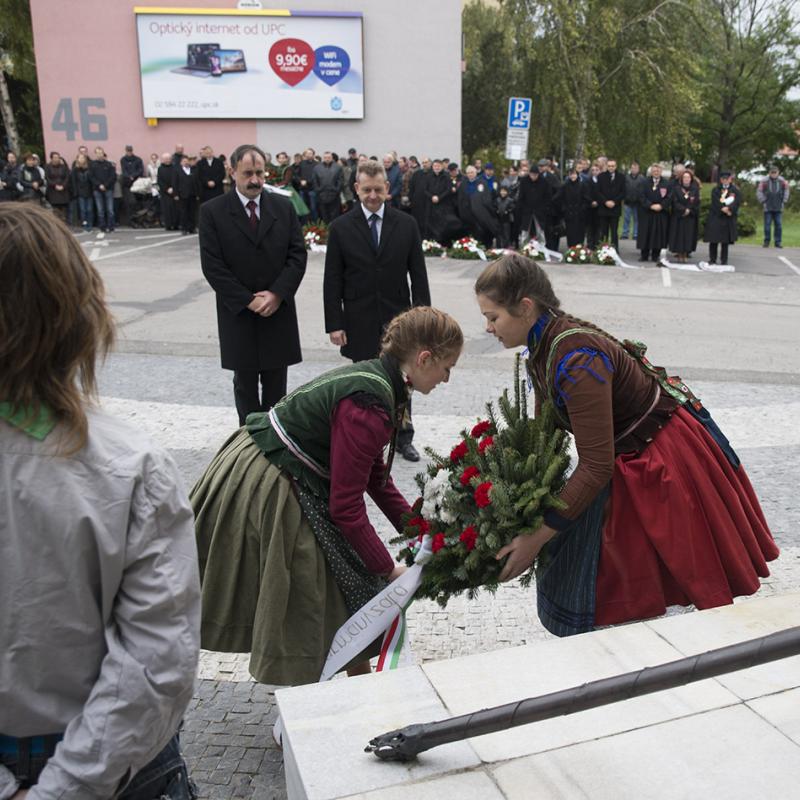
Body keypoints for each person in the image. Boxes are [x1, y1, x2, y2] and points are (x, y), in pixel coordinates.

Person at [0, 202, 200, 798]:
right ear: (78, 313)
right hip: (119, 770)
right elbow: (157, 660)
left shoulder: (127, 468)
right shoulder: (129, 466)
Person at [474, 253, 778, 636]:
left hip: (663, 455)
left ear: (525, 307)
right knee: (615, 582)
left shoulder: (576, 359)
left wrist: (536, 538)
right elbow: (545, 435)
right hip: (628, 452)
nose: (487, 327)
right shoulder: (542, 345)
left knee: (660, 579)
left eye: (493, 317)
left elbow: (596, 465)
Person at [191, 306, 462, 685]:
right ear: (424, 358)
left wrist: (422, 530)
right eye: (447, 367)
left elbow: (376, 479)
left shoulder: (381, 381)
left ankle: (360, 686)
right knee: (307, 584)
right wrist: (386, 570)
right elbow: (346, 507)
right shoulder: (369, 403)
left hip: (288, 467)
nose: (447, 378)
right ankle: (306, 699)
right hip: (272, 475)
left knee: (339, 582)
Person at [323, 159, 431, 462]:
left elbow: (418, 277)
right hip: (358, 319)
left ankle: (403, 437)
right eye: (367, 189)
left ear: (387, 189)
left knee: (402, 380)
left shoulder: (406, 225)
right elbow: (332, 280)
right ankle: (365, 439)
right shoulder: (341, 228)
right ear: (357, 189)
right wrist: (335, 323)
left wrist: (423, 321)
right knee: (364, 382)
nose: (373, 195)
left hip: (400, 321)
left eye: (378, 189)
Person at [199, 144, 307, 426]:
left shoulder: (283, 207)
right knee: (244, 385)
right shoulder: (212, 212)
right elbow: (213, 266)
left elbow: (297, 255)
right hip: (239, 314)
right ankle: (248, 445)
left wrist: (277, 294)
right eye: (248, 173)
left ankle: (275, 442)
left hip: (277, 312)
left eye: (260, 172)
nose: (255, 180)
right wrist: (249, 300)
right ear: (232, 171)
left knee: (277, 387)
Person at [704, 171, 741, 265]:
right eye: (723, 179)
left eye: (727, 179)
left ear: (730, 179)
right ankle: (712, 259)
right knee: (713, 240)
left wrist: (729, 209)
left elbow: (737, 202)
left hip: (727, 218)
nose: (725, 181)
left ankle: (724, 260)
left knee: (725, 241)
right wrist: (722, 208)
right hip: (716, 217)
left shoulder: (735, 190)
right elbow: (715, 202)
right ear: (721, 180)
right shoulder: (716, 190)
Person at [456, 165, 499, 247]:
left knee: (481, 231)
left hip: (480, 214)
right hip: (467, 214)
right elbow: (460, 199)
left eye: (472, 172)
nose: (470, 174)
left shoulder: (482, 183)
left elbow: (486, 199)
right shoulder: (463, 184)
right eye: (468, 173)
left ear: (476, 173)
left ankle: (483, 246)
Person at [637, 163, 671, 262]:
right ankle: (644, 255)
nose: (656, 172)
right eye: (654, 171)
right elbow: (641, 196)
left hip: (660, 213)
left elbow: (669, 197)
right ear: (651, 172)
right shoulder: (644, 182)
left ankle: (655, 255)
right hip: (647, 212)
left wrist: (661, 206)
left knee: (658, 234)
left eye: (658, 170)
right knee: (645, 233)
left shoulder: (666, 183)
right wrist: (650, 205)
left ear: (661, 171)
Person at [668, 169, 700, 262]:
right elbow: (674, 201)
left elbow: (696, 202)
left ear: (691, 179)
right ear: (681, 179)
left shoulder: (694, 189)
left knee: (688, 236)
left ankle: (686, 253)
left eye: (688, 177)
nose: (686, 179)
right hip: (679, 216)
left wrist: (689, 210)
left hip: (690, 217)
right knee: (678, 236)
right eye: (684, 177)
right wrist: (683, 209)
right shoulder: (676, 188)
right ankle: (679, 254)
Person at [555, 167, 591, 247]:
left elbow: (587, 199)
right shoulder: (565, 185)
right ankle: (571, 249)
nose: (573, 176)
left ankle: (579, 249)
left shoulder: (582, 185)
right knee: (570, 233)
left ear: (577, 175)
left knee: (580, 233)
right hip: (569, 213)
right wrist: (564, 208)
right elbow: (558, 197)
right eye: (571, 174)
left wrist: (583, 209)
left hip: (580, 214)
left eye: (574, 174)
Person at [756, 164, 790, 249]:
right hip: (768, 206)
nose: (774, 174)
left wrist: (784, 200)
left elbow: (786, 190)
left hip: (778, 206)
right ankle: (766, 241)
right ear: (769, 173)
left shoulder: (782, 181)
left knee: (778, 225)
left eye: (775, 172)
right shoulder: (764, 181)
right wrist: (763, 200)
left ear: (778, 173)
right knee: (767, 225)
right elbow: (759, 191)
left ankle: (778, 242)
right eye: (772, 172)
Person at [595, 158, 625, 248]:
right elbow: (597, 192)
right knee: (603, 231)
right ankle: (602, 249)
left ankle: (614, 249)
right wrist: (605, 202)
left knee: (614, 231)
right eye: (609, 166)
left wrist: (614, 202)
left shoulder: (621, 177)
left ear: (615, 166)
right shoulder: (601, 176)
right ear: (606, 166)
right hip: (603, 208)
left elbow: (623, 192)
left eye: (613, 166)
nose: (611, 168)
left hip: (615, 208)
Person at [88, 146, 116, 232]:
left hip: (108, 189)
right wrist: (99, 185)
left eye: (101, 152)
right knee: (100, 210)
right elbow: (91, 177)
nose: (99, 154)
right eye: (98, 153)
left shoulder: (109, 164)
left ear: (103, 153)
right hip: (97, 190)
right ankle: (102, 227)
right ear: (96, 154)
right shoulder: (92, 164)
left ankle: (111, 226)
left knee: (110, 210)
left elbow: (112, 177)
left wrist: (105, 185)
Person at [312, 151, 343, 223]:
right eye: (325, 157)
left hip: (334, 196)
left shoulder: (338, 167)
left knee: (334, 217)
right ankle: (325, 232)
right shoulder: (317, 168)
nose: (327, 159)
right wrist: (318, 190)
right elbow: (314, 181)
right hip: (321, 195)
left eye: (329, 157)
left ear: (332, 158)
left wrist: (336, 190)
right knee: (324, 216)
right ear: (323, 158)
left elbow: (340, 181)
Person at [173, 154, 199, 235]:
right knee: (184, 212)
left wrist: (197, 193)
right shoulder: (177, 171)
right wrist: (176, 194)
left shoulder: (193, 170)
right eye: (184, 161)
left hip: (192, 194)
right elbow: (175, 183)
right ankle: (184, 228)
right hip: (182, 194)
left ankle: (192, 228)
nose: (186, 162)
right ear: (181, 163)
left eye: (187, 161)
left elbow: (196, 182)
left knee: (192, 212)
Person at [119, 145, 144, 224]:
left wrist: (133, 175)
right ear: (126, 151)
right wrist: (129, 176)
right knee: (130, 202)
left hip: (137, 184)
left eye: (130, 151)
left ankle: (138, 219)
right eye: (128, 151)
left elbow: (140, 170)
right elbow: (124, 170)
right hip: (127, 184)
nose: (129, 152)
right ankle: (131, 220)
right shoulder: (123, 159)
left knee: (137, 202)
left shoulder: (138, 159)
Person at [622, 161, 646, 240]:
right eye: (632, 168)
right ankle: (625, 233)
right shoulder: (626, 177)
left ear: (638, 169)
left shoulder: (642, 179)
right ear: (630, 169)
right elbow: (623, 189)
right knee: (626, 219)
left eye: (635, 168)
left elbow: (644, 190)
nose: (634, 169)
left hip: (638, 203)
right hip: (627, 202)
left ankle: (636, 234)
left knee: (637, 220)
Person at [69, 153, 94, 230]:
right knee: (83, 210)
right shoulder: (75, 170)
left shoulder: (89, 168)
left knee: (89, 209)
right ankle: (84, 223)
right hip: (80, 192)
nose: (81, 159)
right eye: (80, 158)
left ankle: (90, 223)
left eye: (83, 158)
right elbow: (73, 181)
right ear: (77, 159)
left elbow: (91, 180)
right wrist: (75, 192)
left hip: (89, 191)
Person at [44, 151, 70, 221]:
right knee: (55, 211)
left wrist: (63, 186)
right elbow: (47, 178)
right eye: (55, 157)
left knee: (64, 211)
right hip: (53, 192)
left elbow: (67, 177)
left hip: (63, 191)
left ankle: (64, 224)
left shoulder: (64, 167)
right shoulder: (47, 167)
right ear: (51, 158)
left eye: (58, 157)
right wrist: (55, 185)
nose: (57, 159)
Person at [157, 151, 179, 231]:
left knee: (175, 209)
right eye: (166, 159)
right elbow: (160, 181)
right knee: (167, 210)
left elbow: (177, 179)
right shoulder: (160, 169)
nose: (167, 160)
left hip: (174, 191)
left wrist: (173, 188)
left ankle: (176, 224)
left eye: (169, 159)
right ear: (163, 160)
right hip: (165, 193)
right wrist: (167, 189)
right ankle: (168, 225)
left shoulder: (175, 168)